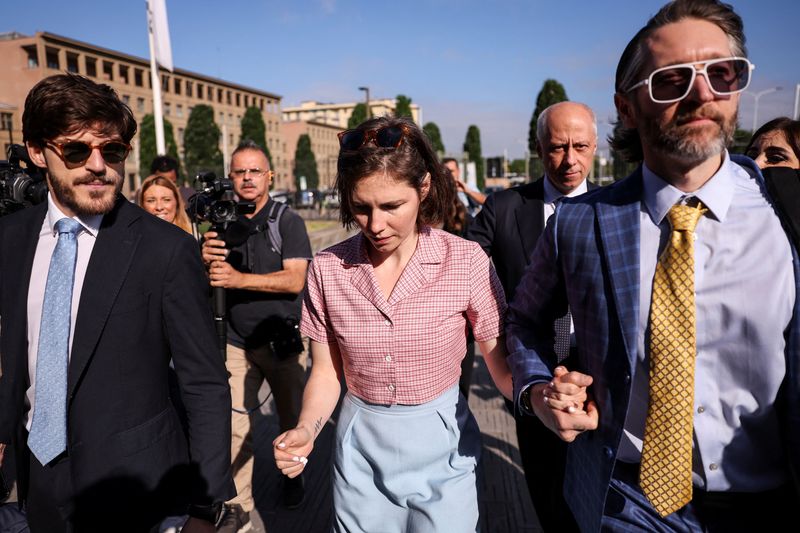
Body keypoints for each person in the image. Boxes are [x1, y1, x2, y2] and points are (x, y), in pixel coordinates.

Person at [507, 1, 800, 531]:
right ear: (627, 107)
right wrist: (537, 391)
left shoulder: (790, 210)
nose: (702, 93)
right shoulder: (581, 221)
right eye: (671, 81)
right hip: (627, 499)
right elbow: (523, 320)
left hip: (772, 498)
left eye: (722, 72)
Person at [0, 73, 234, 532]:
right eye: (76, 150)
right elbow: (16, 351)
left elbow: (204, 384)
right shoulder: (11, 238)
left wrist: (205, 509)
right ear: (36, 151)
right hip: (37, 479)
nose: (97, 165)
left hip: (137, 488)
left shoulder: (164, 249)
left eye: (112, 150)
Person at [273, 116, 512, 533]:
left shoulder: (467, 261)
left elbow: (502, 367)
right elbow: (327, 373)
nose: (376, 225)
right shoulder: (328, 269)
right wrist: (306, 429)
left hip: (444, 445)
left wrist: (544, 397)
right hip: (361, 446)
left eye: (391, 206)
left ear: (423, 188)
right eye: (361, 207)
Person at [466, 100, 598, 532]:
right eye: (558, 147)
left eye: (580, 146)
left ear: (595, 147)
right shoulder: (504, 208)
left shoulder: (616, 211)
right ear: (540, 149)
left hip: (599, 372)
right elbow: (466, 269)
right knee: (546, 489)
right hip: (533, 366)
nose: (570, 159)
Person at [201, 140, 312, 530]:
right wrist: (205, 260)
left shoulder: (287, 221)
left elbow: (295, 279)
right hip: (234, 340)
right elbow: (209, 280)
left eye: (254, 171)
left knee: (291, 421)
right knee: (234, 428)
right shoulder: (222, 221)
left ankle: (293, 480)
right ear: (230, 178)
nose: (246, 179)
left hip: (281, 341)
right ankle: (240, 507)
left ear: (270, 176)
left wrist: (238, 278)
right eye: (239, 172)